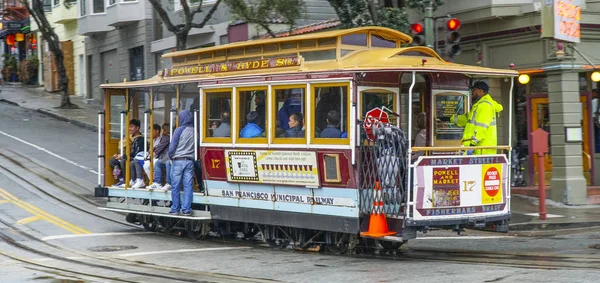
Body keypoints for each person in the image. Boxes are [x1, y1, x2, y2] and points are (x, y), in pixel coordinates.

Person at [445, 81, 503, 155]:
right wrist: (450, 118)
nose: (472, 92)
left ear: (480, 91)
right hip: (477, 149)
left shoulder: (484, 106)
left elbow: (481, 128)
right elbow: (467, 118)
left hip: (480, 150)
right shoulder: (480, 105)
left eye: (474, 90)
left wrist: (472, 145)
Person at [168, 110, 195, 215]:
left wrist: (171, 156)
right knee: (188, 186)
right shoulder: (194, 130)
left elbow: (172, 146)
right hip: (189, 161)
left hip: (178, 160)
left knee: (175, 186)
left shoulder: (179, 130)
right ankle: (186, 209)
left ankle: (175, 208)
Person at [109, 119, 146, 188]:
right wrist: (118, 155)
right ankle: (121, 178)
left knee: (124, 161)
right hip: (126, 156)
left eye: (131, 127)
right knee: (112, 160)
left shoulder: (140, 140)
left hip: (134, 158)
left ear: (137, 128)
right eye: (129, 127)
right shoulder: (128, 137)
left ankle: (126, 181)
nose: (129, 129)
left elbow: (136, 154)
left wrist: (123, 156)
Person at [148, 123, 171, 191]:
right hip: (165, 157)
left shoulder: (166, 137)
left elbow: (159, 148)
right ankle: (156, 182)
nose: (161, 132)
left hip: (166, 157)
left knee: (158, 163)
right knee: (157, 163)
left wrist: (154, 154)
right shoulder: (166, 137)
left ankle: (159, 182)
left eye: (162, 130)